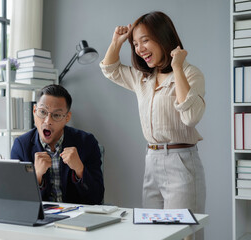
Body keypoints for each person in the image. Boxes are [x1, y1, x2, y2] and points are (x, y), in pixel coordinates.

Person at [99, 11, 206, 239]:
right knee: (152, 234)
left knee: (183, 235)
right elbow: (110, 69)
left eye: (145, 40)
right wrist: (116, 42)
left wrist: (177, 66)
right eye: (135, 44)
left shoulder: (190, 73)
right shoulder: (143, 78)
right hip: (152, 161)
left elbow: (191, 118)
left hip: (182, 163)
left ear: (164, 37)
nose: (139, 49)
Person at [11, 84, 104, 205]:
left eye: (56, 115)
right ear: (34, 111)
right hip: (41, 219)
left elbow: (97, 197)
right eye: (42, 112)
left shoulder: (87, 142)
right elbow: (16, 200)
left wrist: (79, 169)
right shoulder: (21, 146)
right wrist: (37, 176)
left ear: (67, 117)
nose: (47, 121)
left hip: (77, 218)